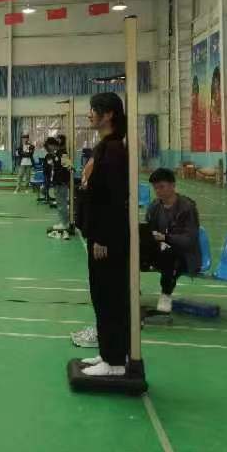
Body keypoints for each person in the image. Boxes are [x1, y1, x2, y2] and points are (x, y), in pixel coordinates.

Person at [79, 93, 130, 377]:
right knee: (101, 296)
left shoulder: (113, 151)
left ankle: (115, 363)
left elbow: (112, 200)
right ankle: (109, 352)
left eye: (93, 110)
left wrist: (102, 238)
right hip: (99, 235)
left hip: (107, 240)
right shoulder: (104, 147)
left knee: (110, 296)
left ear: (108, 114)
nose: (89, 115)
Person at [144, 168, 201, 313]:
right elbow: (148, 230)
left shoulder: (187, 208)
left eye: (161, 187)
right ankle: (130, 290)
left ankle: (166, 295)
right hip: (161, 250)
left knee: (169, 256)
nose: (158, 191)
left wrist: (166, 238)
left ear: (173, 186)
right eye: (155, 188)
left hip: (185, 255)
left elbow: (189, 240)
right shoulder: (154, 207)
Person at [48, 135, 72, 239]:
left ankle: (64, 223)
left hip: (61, 182)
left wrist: (63, 181)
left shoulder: (62, 153)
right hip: (58, 182)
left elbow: (69, 167)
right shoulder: (57, 153)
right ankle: (63, 222)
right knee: (60, 203)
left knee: (62, 203)